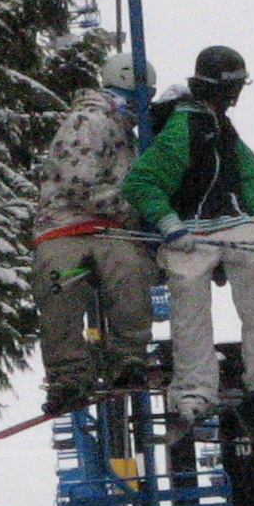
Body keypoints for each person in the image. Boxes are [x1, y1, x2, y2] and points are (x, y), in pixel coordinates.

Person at [122, 44, 254, 423]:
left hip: (231, 221)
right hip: (191, 227)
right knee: (188, 291)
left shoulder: (220, 124)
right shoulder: (184, 124)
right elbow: (142, 183)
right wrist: (168, 223)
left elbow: (245, 169)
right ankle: (193, 385)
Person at [29, 51, 157, 417]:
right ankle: (68, 375)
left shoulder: (125, 132)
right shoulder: (89, 121)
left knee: (130, 273)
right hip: (66, 227)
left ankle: (128, 358)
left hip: (108, 232)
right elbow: (77, 180)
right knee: (61, 284)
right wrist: (128, 210)